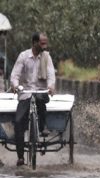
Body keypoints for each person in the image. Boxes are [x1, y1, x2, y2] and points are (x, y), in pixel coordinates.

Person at [10, 32, 55, 166]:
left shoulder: (46, 57)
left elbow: (51, 74)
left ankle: (42, 127)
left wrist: (51, 86)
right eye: (42, 43)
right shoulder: (23, 56)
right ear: (34, 42)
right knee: (18, 122)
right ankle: (20, 157)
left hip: (40, 91)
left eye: (46, 43)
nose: (45, 46)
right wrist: (16, 85)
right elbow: (15, 74)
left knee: (42, 104)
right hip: (26, 92)